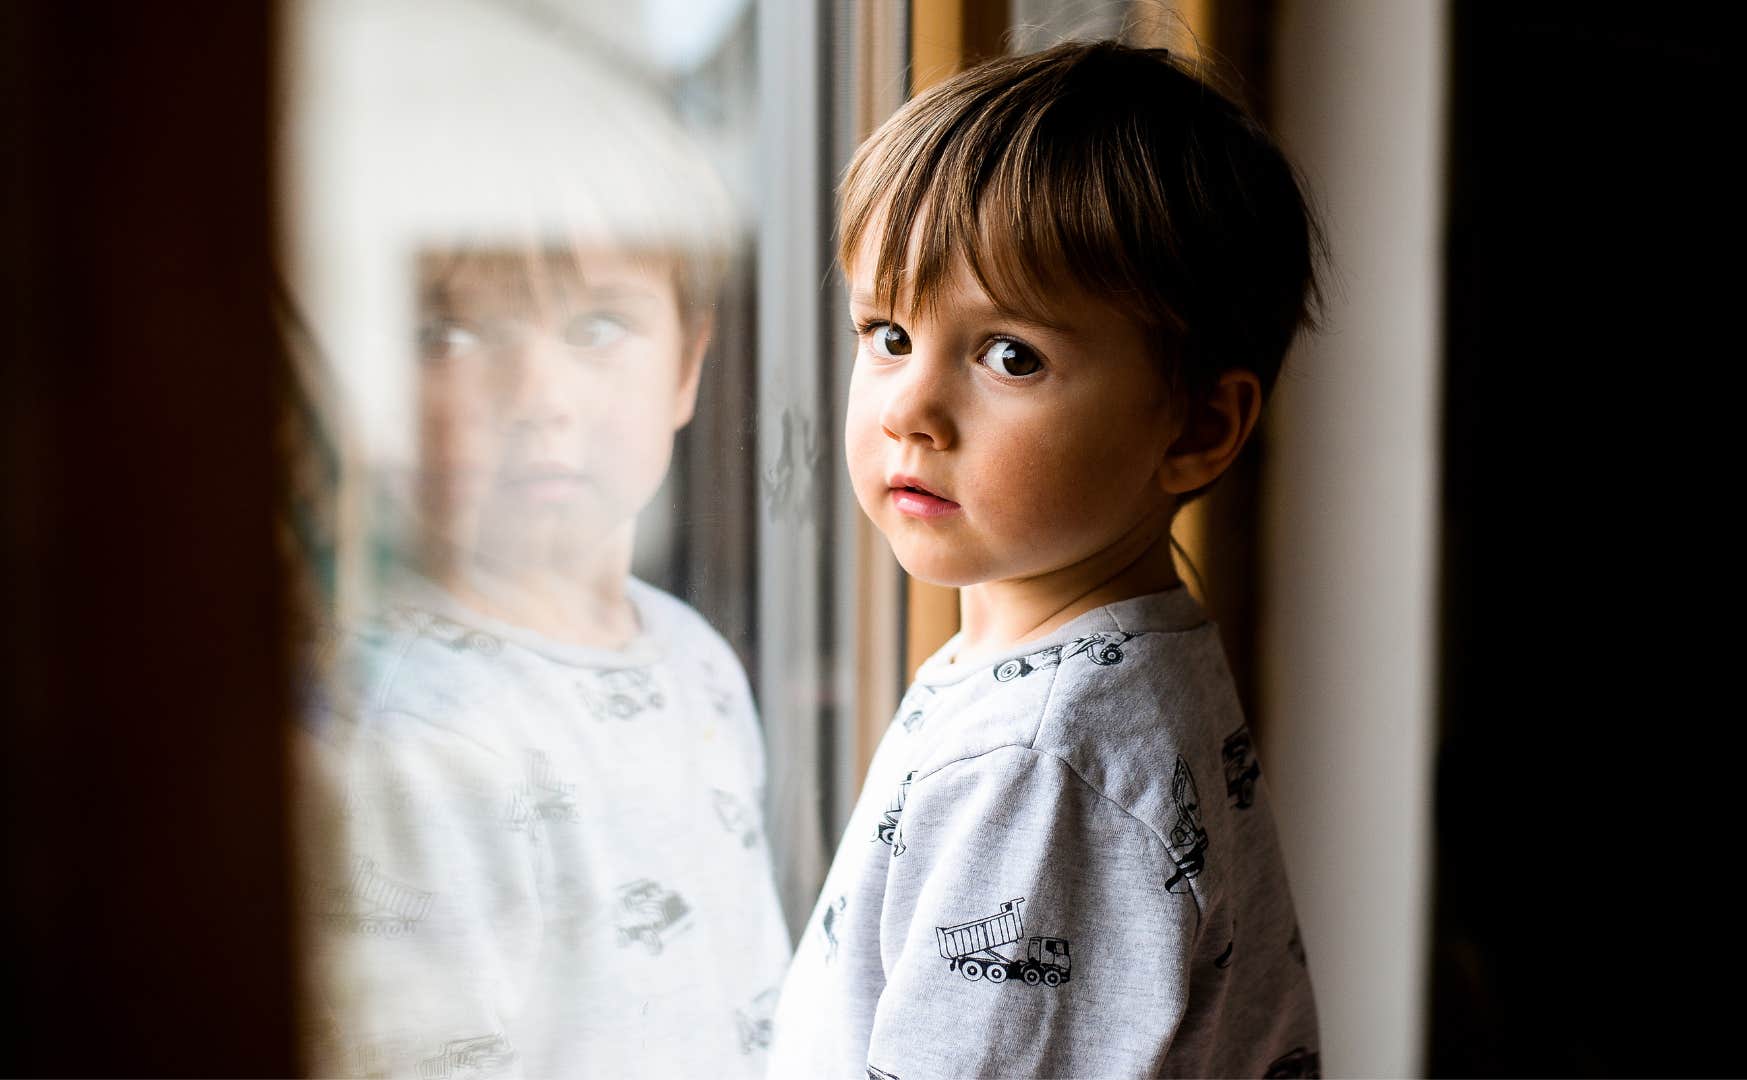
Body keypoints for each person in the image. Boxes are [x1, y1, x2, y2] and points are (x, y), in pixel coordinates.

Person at [767, 41, 1324, 1078]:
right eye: (888, 334)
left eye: (1009, 355)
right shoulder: (1095, 672)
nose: (912, 412)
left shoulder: (1042, 765)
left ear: (1199, 426)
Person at [287, 3, 788, 1075]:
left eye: (598, 326)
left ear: (688, 364)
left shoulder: (694, 658)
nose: (538, 396)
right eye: (452, 334)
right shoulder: (407, 730)